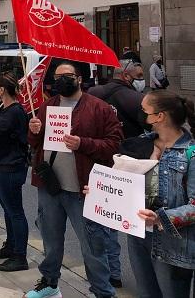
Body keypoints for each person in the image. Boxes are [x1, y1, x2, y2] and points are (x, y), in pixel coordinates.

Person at [83, 90, 195, 298]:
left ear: (159, 116)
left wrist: (161, 217)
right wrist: (100, 192)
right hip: (138, 235)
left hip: (173, 244)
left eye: (144, 110)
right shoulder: (141, 143)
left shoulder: (190, 152)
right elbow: (123, 183)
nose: (140, 114)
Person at [24, 62, 122, 298]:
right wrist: (33, 131)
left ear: (79, 79)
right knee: (51, 240)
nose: (61, 80)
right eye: (57, 76)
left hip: (83, 189)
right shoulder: (47, 106)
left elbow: (115, 144)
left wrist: (83, 143)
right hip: (50, 186)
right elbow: (36, 145)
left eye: (67, 76)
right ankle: (49, 283)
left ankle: (102, 291)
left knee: (92, 246)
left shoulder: (99, 108)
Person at [88, 59, 146, 287]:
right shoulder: (131, 97)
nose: (142, 81)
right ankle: (114, 272)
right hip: (126, 162)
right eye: (139, 76)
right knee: (122, 221)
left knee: (104, 218)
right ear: (126, 76)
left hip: (99, 161)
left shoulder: (93, 93)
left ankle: (107, 272)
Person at [0, 71, 30, 272]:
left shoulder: (14, 112)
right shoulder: (4, 108)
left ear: (1, 89)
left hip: (10, 166)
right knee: (8, 210)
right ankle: (11, 246)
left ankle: (20, 255)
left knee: (15, 211)